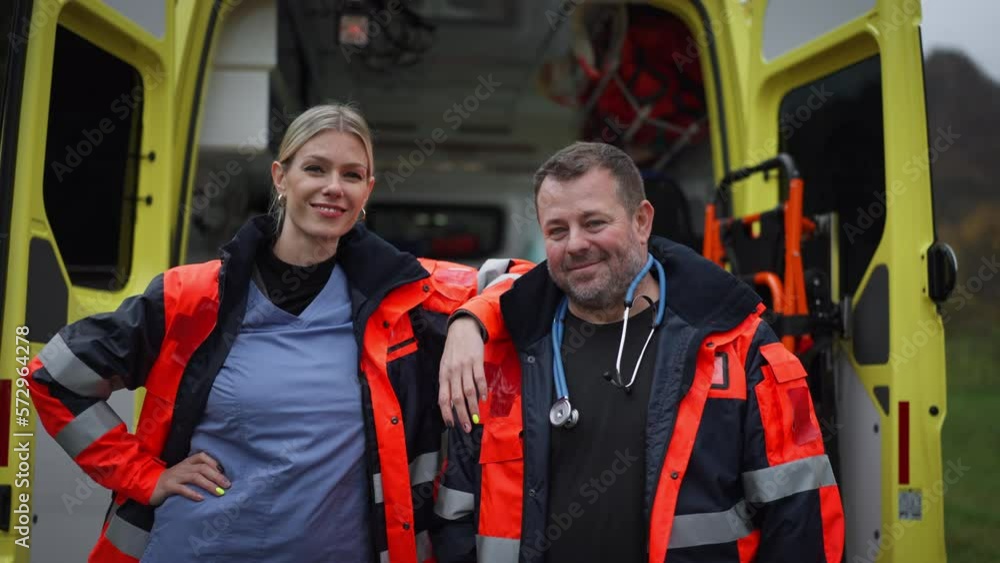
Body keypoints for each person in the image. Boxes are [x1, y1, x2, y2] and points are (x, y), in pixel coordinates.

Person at [24, 104, 527, 563]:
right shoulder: (194, 296)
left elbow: (526, 282)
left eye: (352, 175)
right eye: (316, 169)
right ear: (280, 178)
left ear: (367, 192)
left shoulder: (405, 297)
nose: (334, 187)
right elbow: (55, 376)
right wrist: (144, 476)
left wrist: (469, 321)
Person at [432, 142, 845, 562]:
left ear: (642, 221)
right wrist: (468, 320)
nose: (575, 244)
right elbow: (455, 513)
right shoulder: (504, 353)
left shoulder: (739, 345)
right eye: (557, 230)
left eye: (594, 223)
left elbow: (799, 515)